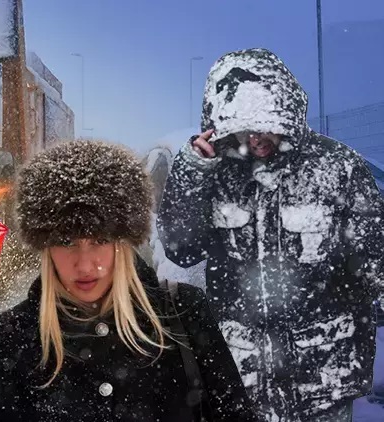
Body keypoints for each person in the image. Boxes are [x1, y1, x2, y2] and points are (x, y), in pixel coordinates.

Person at [0, 141, 257, 421]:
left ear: (123, 242)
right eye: (67, 241)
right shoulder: (11, 336)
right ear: (45, 247)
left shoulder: (183, 315)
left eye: (99, 239)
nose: (85, 264)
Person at [157, 48, 384, 421]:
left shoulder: (338, 168)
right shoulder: (217, 173)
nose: (257, 139)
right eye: (245, 129)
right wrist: (192, 170)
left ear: (288, 116)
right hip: (239, 376)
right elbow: (181, 248)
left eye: (265, 126)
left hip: (322, 377)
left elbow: (376, 258)